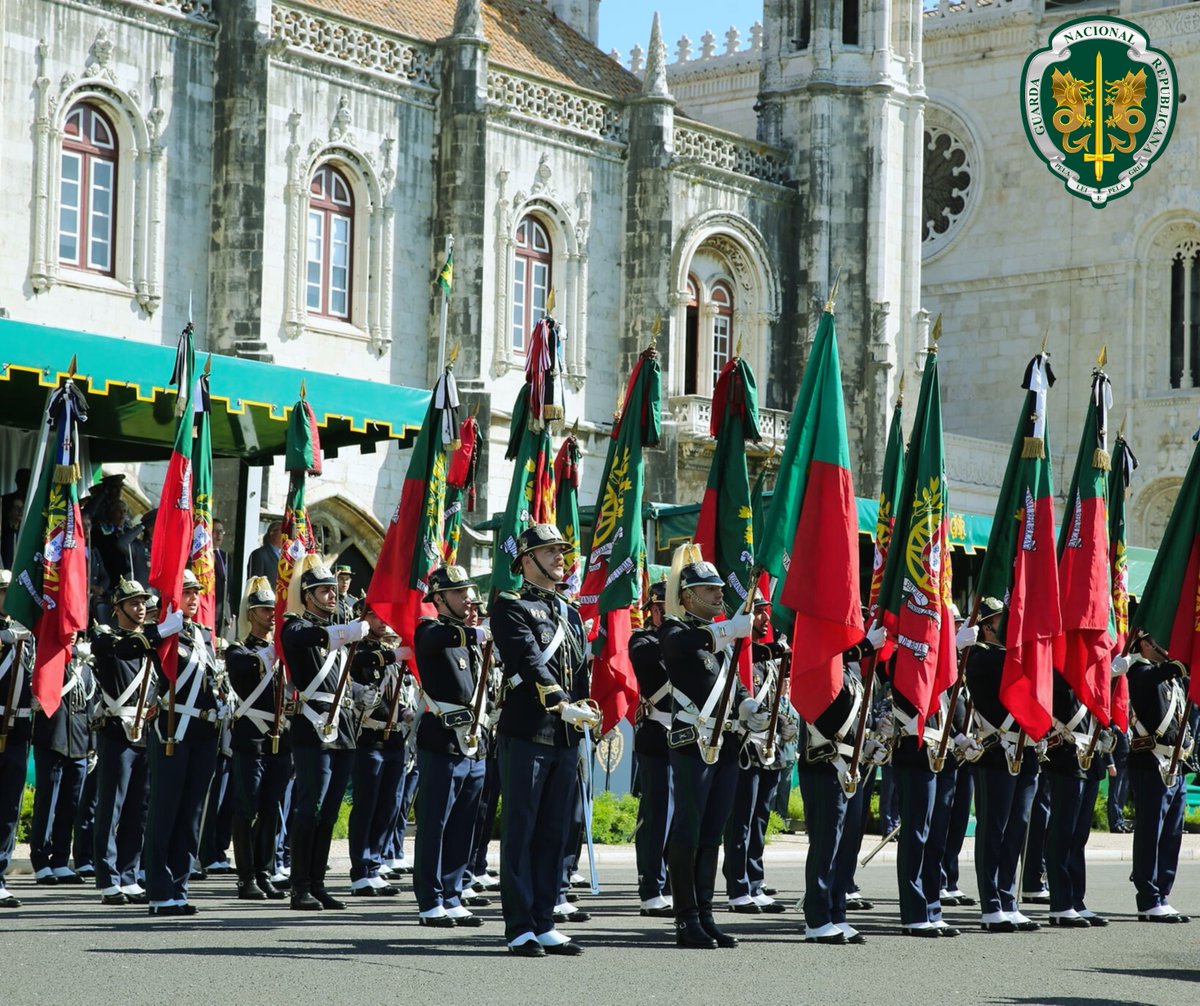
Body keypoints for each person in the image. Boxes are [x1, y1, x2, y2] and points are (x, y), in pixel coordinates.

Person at [492, 523, 595, 958]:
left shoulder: (568, 610)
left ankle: (545, 918)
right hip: (529, 729)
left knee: (557, 829)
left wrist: (587, 706)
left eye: (561, 551)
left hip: (567, 733)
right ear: (526, 560)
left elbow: (580, 665)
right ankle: (519, 925)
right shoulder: (510, 606)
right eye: (550, 551)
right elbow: (530, 660)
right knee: (523, 828)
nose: (560, 558)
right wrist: (558, 699)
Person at [660, 550, 760, 950]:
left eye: (719, 588)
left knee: (712, 832)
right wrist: (729, 632)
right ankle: (685, 919)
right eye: (707, 588)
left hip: (726, 745)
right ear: (686, 596)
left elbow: (734, 688)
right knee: (689, 829)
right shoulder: (673, 630)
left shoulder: (723, 638)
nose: (718, 594)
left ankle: (705, 913)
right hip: (693, 745)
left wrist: (750, 706)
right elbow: (685, 643)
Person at [279, 556, 366, 911]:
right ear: (308, 595)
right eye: (324, 591)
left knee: (329, 810)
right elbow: (308, 637)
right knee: (309, 807)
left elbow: (346, 676)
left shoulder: (338, 631)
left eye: (333, 590)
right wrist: (346, 632)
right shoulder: (295, 627)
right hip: (313, 726)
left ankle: (317, 883)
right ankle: (299, 885)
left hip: (342, 727)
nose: (332, 596)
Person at [794, 628, 884, 946]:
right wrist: (861, 648)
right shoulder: (822, 665)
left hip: (850, 768)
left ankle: (836, 913)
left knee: (846, 846)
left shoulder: (850, 674)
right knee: (825, 845)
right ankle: (817, 919)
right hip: (824, 765)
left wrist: (871, 742)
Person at [412, 565, 490, 927]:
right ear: (440, 598)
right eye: (459, 593)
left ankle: (453, 892)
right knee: (435, 822)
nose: (467, 598)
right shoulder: (431, 629)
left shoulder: (470, 638)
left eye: (468, 592)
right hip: (442, 737)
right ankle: (430, 899)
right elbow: (434, 641)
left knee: (464, 823)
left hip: (473, 741)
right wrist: (478, 634)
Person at [961, 597, 1041, 934]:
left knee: (1018, 826)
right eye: (1001, 620)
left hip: (1027, 749)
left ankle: (1009, 899)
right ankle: (991, 903)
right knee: (994, 826)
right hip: (998, 751)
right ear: (987, 626)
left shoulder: (1017, 657)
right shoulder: (980, 658)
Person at [142, 569, 220, 916]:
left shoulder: (203, 634)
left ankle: (180, 885)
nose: (193, 598)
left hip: (203, 732)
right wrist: (162, 630)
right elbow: (130, 647)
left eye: (196, 592)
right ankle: (159, 887)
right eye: (186, 592)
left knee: (192, 813)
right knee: (166, 810)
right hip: (173, 728)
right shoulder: (162, 633)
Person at [723, 597, 793, 915]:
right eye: (760, 612)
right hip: (744, 749)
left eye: (767, 612)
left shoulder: (767, 661)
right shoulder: (739, 656)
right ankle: (737, 886)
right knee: (741, 820)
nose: (766, 618)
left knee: (760, 818)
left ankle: (754, 881)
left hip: (768, 748)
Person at [90, 578, 155, 906]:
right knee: (111, 807)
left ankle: (129, 874)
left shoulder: (149, 642)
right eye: (133, 602)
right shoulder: (106, 638)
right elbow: (115, 651)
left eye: (143, 602)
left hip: (145, 732)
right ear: (117, 609)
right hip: (116, 731)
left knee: (138, 809)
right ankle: (107, 878)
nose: (140, 607)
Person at [225, 577, 290, 900]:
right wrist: (269, 654)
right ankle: (246, 876)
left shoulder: (283, 652)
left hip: (281, 739)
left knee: (271, 808)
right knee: (246, 807)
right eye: (264, 610)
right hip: (252, 737)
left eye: (273, 609)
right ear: (251, 614)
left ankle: (264, 871)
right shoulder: (239, 650)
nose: (270, 615)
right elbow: (241, 670)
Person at [1119, 629, 1191, 922]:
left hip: (1177, 763)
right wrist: (1182, 660)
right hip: (1151, 763)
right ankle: (1147, 896)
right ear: (1145, 643)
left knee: (1172, 833)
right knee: (1151, 832)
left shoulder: (1171, 678)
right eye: (1159, 640)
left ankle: (1162, 893)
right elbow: (1158, 674)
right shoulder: (1138, 672)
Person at [346, 598, 411, 898]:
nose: (383, 620)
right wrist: (392, 655)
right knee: (367, 805)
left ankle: (376, 862)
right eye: (376, 615)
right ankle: (361, 869)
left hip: (395, 738)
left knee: (389, 805)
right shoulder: (358, 651)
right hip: (369, 738)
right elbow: (361, 664)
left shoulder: (390, 652)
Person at [1043, 671, 1113, 928]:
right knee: (1063, 832)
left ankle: (1075, 900)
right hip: (1067, 758)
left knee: (1079, 836)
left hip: (1091, 759)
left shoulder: (1092, 673)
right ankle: (1061, 903)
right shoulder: (1061, 670)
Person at [29, 634, 95, 886]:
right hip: (52, 739)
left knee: (70, 807)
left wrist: (93, 745)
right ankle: (42, 861)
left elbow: (90, 706)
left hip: (78, 743)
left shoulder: (85, 665)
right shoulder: (48, 658)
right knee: (47, 804)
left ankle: (60, 860)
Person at [629, 579, 674, 918]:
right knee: (657, 816)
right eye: (663, 608)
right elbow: (651, 658)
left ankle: (677, 885)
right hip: (658, 735)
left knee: (683, 818)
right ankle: (651, 888)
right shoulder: (642, 640)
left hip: (689, 738)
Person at [0, 570, 35, 908]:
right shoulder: (8, 634)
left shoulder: (26, 633)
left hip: (19, 728)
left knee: (9, 807)